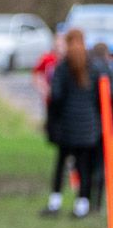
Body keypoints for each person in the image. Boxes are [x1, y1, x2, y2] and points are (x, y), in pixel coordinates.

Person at [45, 29, 107, 219]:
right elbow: (102, 97)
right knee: (84, 166)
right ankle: (82, 205)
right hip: (89, 126)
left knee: (61, 164)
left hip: (67, 126)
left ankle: (55, 203)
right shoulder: (94, 67)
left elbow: (55, 96)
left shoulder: (63, 67)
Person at [36, 31, 68, 217]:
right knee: (59, 149)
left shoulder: (72, 64)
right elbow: (36, 74)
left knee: (66, 153)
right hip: (53, 110)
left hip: (68, 115)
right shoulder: (48, 59)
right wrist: (44, 90)